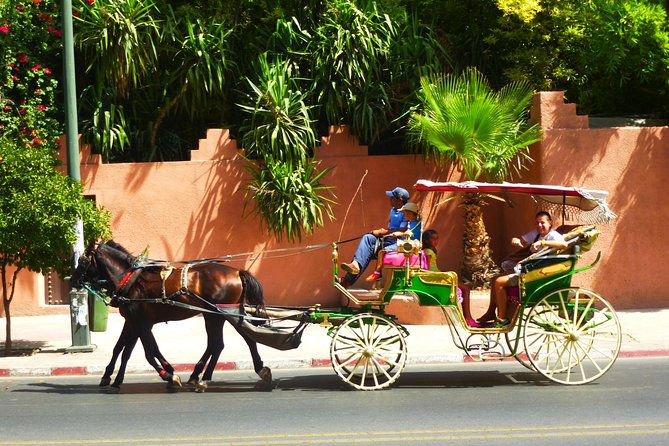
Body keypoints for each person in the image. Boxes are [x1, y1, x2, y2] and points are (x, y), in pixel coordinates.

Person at [478, 211, 568, 327]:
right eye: (537, 223)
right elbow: (520, 239)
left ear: (550, 223)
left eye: (542, 222)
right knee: (494, 278)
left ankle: (502, 319)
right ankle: (491, 313)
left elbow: (564, 245)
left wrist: (543, 242)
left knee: (499, 282)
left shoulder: (553, 235)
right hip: (530, 270)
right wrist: (515, 240)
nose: (539, 225)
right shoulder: (536, 234)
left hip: (538, 274)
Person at [338, 186, 409, 287]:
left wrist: (381, 231)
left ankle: (347, 281)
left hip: (398, 243)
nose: (390, 199)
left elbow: (403, 230)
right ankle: (355, 265)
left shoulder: (406, 212)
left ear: (399, 200)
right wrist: (382, 233)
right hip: (387, 239)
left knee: (368, 252)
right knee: (367, 238)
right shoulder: (393, 210)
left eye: (392, 197)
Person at [421, 229, 478, 327]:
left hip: (436, 275)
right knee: (466, 288)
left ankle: (467, 318)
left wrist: (442, 272)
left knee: (464, 287)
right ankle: (468, 318)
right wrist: (441, 274)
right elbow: (428, 268)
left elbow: (433, 267)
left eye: (437, 239)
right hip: (435, 278)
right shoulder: (428, 251)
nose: (436, 241)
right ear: (426, 240)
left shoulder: (430, 250)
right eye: (433, 239)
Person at [364, 202, 422, 282]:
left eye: (405, 213)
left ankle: (377, 272)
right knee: (383, 246)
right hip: (403, 243)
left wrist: (400, 234)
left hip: (407, 245)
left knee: (382, 251)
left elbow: (411, 234)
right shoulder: (411, 222)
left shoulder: (416, 223)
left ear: (410, 213)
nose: (404, 216)